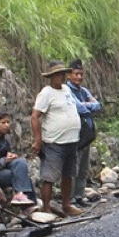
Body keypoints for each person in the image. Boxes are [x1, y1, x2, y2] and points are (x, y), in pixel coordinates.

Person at [31, 60, 82, 217]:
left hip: (71, 140)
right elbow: (35, 116)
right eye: (57, 74)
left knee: (68, 174)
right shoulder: (46, 93)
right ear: (51, 77)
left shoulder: (66, 90)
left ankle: (66, 204)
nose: (61, 77)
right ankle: (46, 208)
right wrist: (38, 140)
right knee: (49, 176)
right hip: (55, 142)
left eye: (62, 74)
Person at [66, 60, 102, 205]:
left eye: (81, 74)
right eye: (76, 74)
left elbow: (98, 106)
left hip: (86, 135)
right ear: (69, 75)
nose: (79, 77)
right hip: (75, 135)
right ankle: (69, 200)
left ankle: (79, 196)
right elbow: (79, 108)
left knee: (83, 167)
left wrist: (89, 105)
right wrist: (89, 105)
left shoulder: (83, 90)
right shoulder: (67, 91)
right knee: (73, 167)